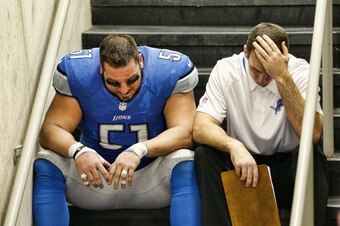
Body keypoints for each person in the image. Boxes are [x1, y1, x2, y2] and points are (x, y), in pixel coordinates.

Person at [33, 34, 201, 226]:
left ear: (140, 61)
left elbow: (185, 132)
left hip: (151, 178)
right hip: (95, 179)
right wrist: (79, 151)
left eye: (131, 80)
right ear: (100, 69)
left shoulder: (169, 70)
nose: (124, 89)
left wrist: (140, 150)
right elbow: (50, 130)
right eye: (113, 82)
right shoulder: (79, 72)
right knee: (46, 160)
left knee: (185, 159)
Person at [193, 22, 329, 226]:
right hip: (243, 167)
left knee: (312, 154)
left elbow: (313, 134)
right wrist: (234, 146)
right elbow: (200, 127)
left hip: (288, 170)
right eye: (256, 70)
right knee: (205, 154)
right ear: (245, 52)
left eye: (269, 72)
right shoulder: (227, 69)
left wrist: (282, 77)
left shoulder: (300, 72)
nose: (263, 79)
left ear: (285, 57)